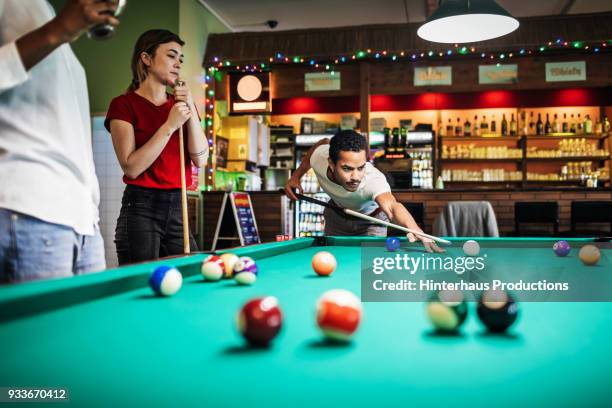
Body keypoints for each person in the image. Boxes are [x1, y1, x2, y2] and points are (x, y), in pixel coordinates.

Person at [0, 0, 119, 283]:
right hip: (29, 209)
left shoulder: (44, 11)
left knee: (88, 329)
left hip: (82, 222)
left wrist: (89, 212)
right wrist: (59, 30)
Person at [105, 29, 208, 265]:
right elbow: (131, 167)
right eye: (171, 56)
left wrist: (189, 107)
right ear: (147, 59)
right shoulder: (123, 105)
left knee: (190, 275)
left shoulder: (182, 106)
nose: (178, 64)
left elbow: (201, 159)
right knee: (141, 285)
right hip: (141, 207)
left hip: (178, 205)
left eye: (180, 59)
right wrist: (169, 125)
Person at [285, 130, 443, 253]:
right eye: (347, 168)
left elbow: (392, 207)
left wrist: (412, 226)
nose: (356, 177)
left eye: (361, 167)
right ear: (331, 164)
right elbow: (320, 145)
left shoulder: (373, 180)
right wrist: (295, 177)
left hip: (371, 222)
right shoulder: (319, 157)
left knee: (370, 266)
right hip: (337, 216)